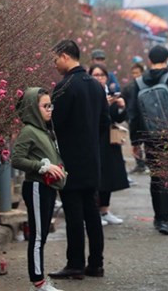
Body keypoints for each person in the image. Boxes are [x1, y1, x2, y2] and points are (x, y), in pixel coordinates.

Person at [48, 40, 109, 280]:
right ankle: (96, 264)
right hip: (92, 159)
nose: (55, 65)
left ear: (64, 56)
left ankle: (75, 263)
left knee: (74, 214)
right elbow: (105, 121)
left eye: (55, 59)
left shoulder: (64, 87)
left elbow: (55, 125)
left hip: (70, 160)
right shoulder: (95, 85)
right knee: (92, 213)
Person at [127, 45, 168, 236]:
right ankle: (165, 220)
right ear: (167, 59)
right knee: (167, 177)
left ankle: (158, 218)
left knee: (156, 176)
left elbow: (133, 114)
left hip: (149, 137)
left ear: (149, 61)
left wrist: (135, 141)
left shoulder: (139, 82)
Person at [11, 88, 66, 291]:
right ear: (34, 108)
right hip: (36, 187)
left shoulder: (43, 129)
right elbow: (16, 159)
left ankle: (40, 279)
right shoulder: (28, 131)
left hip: (47, 187)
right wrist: (42, 166)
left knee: (41, 234)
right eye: (45, 106)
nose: (49, 109)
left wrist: (56, 168)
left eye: (50, 105)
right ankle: (38, 281)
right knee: (37, 235)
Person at [88, 64, 130, 226]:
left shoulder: (110, 94)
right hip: (94, 139)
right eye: (95, 75)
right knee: (96, 176)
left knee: (109, 175)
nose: (99, 78)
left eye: (102, 75)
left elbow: (118, 118)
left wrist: (121, 107)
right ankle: (94, 211)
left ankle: (105, 210)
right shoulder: (89, 94)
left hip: (110, 139)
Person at [124, 63, 148, 175]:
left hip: (146, 119)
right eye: (133, 73)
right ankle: (140, 164)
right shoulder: (129, 87)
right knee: (136, 142)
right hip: (134, 118)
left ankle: (148, 163)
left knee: (148, 142)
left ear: (142, 73)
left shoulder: (146, 86)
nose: (135, 75)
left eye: (137, 73)